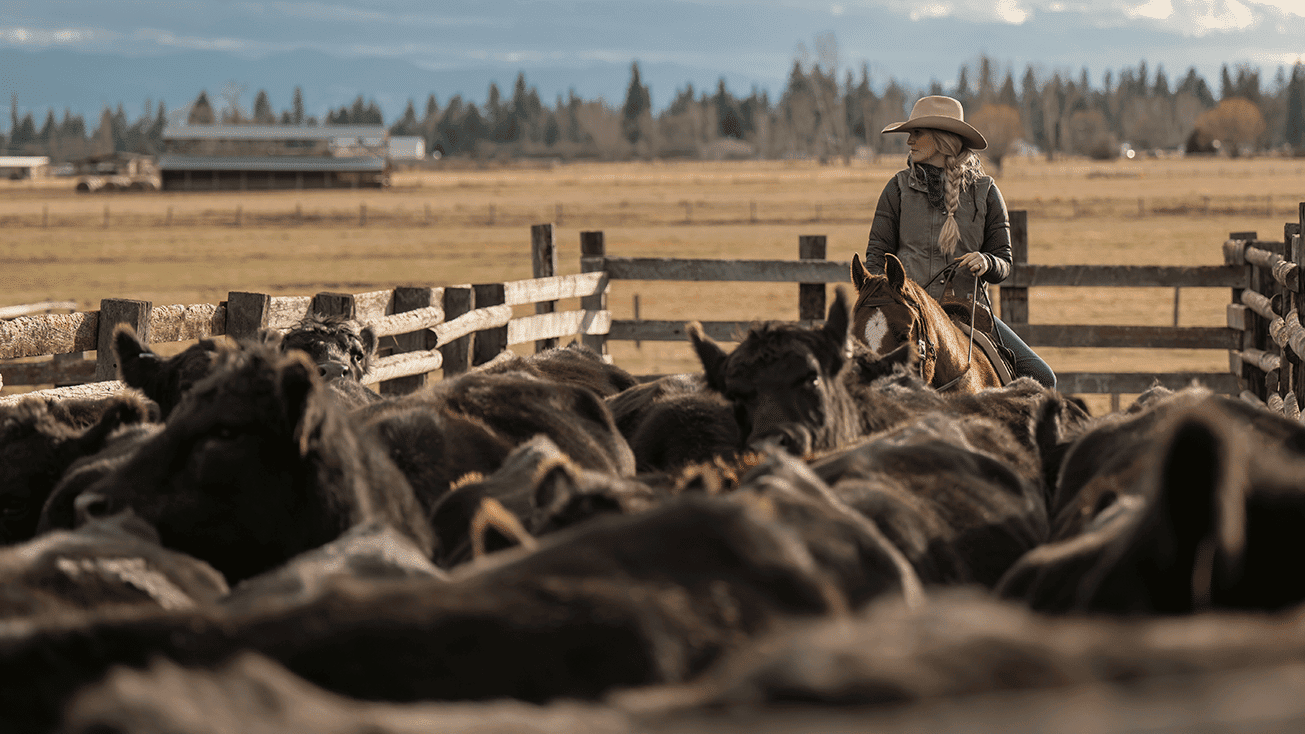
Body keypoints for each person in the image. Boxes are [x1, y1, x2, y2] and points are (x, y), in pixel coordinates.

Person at [865, 95, 1056, 389]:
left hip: (970, 313)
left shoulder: (986, 192)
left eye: (917, 133)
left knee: (1043, 378)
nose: (909, 141)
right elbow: (877, 256)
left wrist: (987, 262)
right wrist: (887, 307)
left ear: (943, 139)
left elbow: (1004, 260)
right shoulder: (897, 188)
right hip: (910, 316)